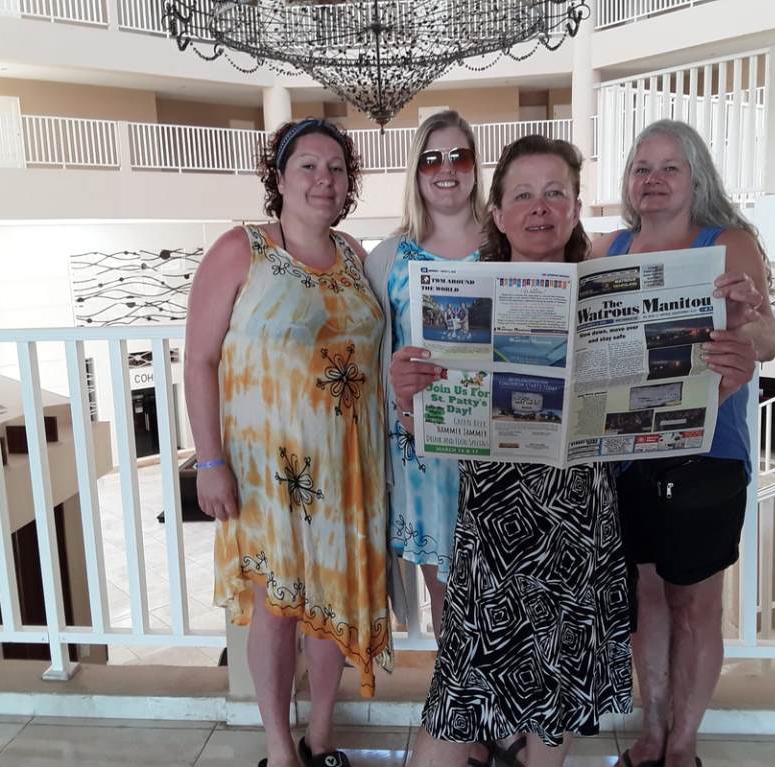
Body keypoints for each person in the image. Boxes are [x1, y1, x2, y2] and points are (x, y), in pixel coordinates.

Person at [392, 135, 688, 767]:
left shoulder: (611, 294)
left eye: (556, 193)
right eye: (523, 194)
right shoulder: (461, 294)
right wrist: (407, 396)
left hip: (579, 527)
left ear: (576, 208)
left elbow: (662, 398)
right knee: (457, 702)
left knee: (555, 707)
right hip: (493, 531)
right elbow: (425, 431)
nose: (540, 207)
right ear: (497, 214)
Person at [185, 118, 390, 767]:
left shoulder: (354, 253)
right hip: (267, 472)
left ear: (349, 183)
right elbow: (199, 360)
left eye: (336, 168)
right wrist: (209, 460)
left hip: (349, 469)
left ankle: (321, 736)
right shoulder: (240, 250)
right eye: (308, 166)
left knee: (332, 598)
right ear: (279, 176)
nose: (323, 179)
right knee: (275, 609)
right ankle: (280, 750)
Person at [592, 119, 775, 767]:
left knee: (696, 604)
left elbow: (768, 339)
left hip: (708, 453)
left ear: (696, 177)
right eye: (641, 168)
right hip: (625, 454)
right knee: (646, 599)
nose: (653, 179)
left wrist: (749, 328)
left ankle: (683, 744)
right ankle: (651, 733)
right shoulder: (608, 249)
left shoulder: (727, 242)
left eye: (669, 167)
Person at [365, 110, 486, 638]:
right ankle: (460, 691)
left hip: (499, 448)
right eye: (432, 159)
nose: (447, 169)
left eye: (460, 156)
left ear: (476, 166)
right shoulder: (389, 258)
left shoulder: (507, 244)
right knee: (448, 603)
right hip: (424, 455)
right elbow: (368, 355)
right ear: (415, 171)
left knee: (508, 588)